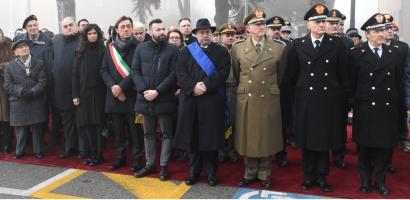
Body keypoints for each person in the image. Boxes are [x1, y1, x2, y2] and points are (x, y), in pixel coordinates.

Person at [285, 3, 349, 192]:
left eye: (324, 21)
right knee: (307, 140)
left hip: (329, 100)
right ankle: (308, 175)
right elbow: (291, 74)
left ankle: (322, 176)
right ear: (308, 24)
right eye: (318, 21)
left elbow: (343, 74)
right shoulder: (298, 45)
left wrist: (342, 99)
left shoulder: (336, 44)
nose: (322, 24)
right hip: (306, 99)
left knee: (324, 140)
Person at [349, 13, 403, 196]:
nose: (382, 34)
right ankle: (365, 181)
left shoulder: (394, 53)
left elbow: (398, 83)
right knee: (364, 148)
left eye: (383, 30)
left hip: (387, 108)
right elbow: (350, 82)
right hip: (365, 108)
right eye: (377, 31)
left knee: (383, 148)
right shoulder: (356, 53)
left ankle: (380, 181)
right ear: (367, 34)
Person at [232, 9, 287, 188]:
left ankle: (264, 174)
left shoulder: (279, 48)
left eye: (263, 23)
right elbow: (236, 72)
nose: (261, 26)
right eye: (256, 24)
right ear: (248, 28)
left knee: (266, 135)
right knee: (248, 135)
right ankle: (249, 173)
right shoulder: (238, 48)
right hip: (247, 96)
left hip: (268, 96)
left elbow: (281, 76)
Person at [174, 18, 230, 186]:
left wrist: (205, 85)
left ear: (212, 34)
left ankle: (212, 172)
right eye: (201, 32)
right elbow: (180, 73)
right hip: (191, 101)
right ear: (196, 34)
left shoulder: (221, 52)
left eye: (207, 32)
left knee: (210, 140)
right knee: (192, 139)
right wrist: (193, 86)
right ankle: (194, 171)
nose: (205, 35)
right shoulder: (185, 52)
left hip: (211, 101)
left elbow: (223, 73)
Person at [132, 19, 179, 181]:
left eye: (163, 29)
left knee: (167, 134)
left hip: (164, 98)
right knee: (148, 133)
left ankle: (164, 166)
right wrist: (145, 90)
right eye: (158, 29)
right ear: (150, 32)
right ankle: (150, 164)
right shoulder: (141, 48)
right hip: (145, 98)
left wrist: (157, 91)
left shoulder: (173, 50)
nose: (161, 32)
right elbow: (135, 71)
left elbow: (174, 74)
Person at [100, 16, 144, 172]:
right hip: (114, 96)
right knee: (118, 132)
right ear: (117, 29)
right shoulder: (110, 48)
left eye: (128, 26)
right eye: (123, 26)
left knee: (135, 132)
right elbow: (104, 70)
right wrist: (114, 87)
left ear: (132, 29)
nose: (126, 29)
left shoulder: (139, 47)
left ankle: (138, 160)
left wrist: (122, 88)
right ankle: (120, 158)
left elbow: (136, 71)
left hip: (132, 96)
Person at [4, 39, 47, 159]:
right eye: (21, 47)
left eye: (26, 46)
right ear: (15, 52)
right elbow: (7, 85)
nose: (24, 48)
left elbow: (43, 82)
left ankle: (38, 150)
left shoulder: (39, 63)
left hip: (35, 98)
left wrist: (33, 91)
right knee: (20, 129)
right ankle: (20, 151)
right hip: (18, 100)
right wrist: (21, 91)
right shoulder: (9, 66)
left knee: (36, 127)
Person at [72, 24, 106, 166]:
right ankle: (92, 153)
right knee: (87, 125)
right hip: (84, 93)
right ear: (85, 36)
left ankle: (99, 154)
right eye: (90, 33)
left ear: (98, 35)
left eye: (94, 33)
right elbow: (75, 74)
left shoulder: (103, 50)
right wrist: (75, 95)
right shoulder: (80, 51)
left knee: (98, 125)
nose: (92, 35)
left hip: (99, 93)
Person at [325, 9, 354, 170]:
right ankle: (323, 153)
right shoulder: (321, 41)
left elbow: (350, 69)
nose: (335, 26)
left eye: (337, 23)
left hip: (341, 91)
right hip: (323, 91)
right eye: (331, 23)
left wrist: (349, 94)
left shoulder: (347, 42)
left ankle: (338, 155)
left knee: (340, 125)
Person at [52, 17, 82, 159]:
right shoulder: (56, 41)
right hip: (61, 89)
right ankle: (69, 147)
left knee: (80, 121)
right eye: (65, 26)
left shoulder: (83, 40)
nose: (69, 28)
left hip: (79, 89)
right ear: (61, 29)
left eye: (71, 25)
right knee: (67, 121)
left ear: (76, 26)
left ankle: (83, 149)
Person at [218, 22, 238, 163]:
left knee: (234, 122)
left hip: (235, 90)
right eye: (227, 35)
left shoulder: (239, 51)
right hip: (219, 90)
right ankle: (220, 150)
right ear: (220, 36)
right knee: (219, 121)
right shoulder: (216, 52)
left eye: (232, 34)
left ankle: (231, 150)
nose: (230, 37)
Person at [0, 28, 13, 153]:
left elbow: (13, 63)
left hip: (5, 87)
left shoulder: (10, 46)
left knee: (6, 118)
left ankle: (7, 144)